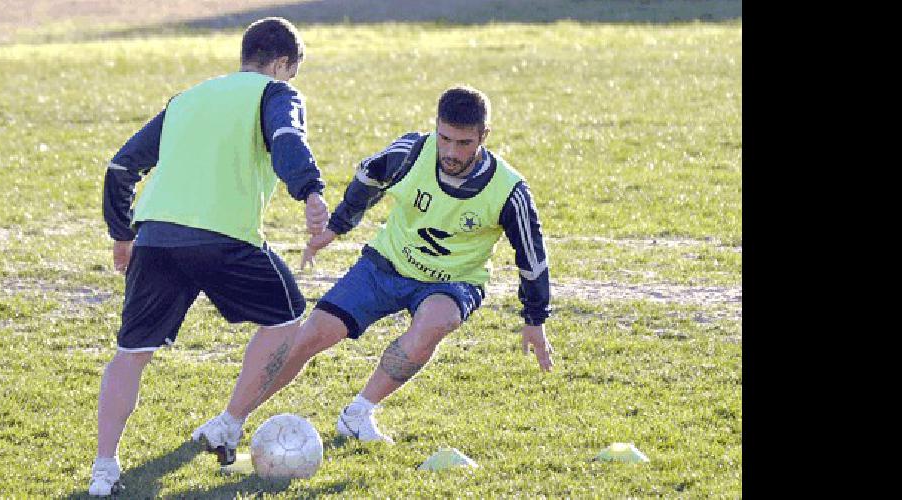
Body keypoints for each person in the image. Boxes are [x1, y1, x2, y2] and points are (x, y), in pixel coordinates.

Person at [196, 85, 554, 453]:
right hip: (384, 265)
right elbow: (368, 179)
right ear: (436, 127)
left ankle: (358, 413)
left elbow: (532, 255)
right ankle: (230, 421)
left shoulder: (509, 190)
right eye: (444, 138)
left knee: (437, 322)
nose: (450, 152)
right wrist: (335, 228)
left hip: (453, 282)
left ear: (484, 136)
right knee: (310, 336)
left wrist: (535, 319)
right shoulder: (411, 152)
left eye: (463, 143)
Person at [89, 17, 329, 496]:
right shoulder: (275, 93)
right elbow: (287, 141)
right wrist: (311, 193)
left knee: (130, 355)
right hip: (225, 239)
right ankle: (228, 423)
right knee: (287, 320)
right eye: (291, 73)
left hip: (155, 238)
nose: (290, 82)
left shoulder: (186, 99)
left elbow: (121, 167)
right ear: (282, 64)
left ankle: (103, 469)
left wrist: (123, 234)